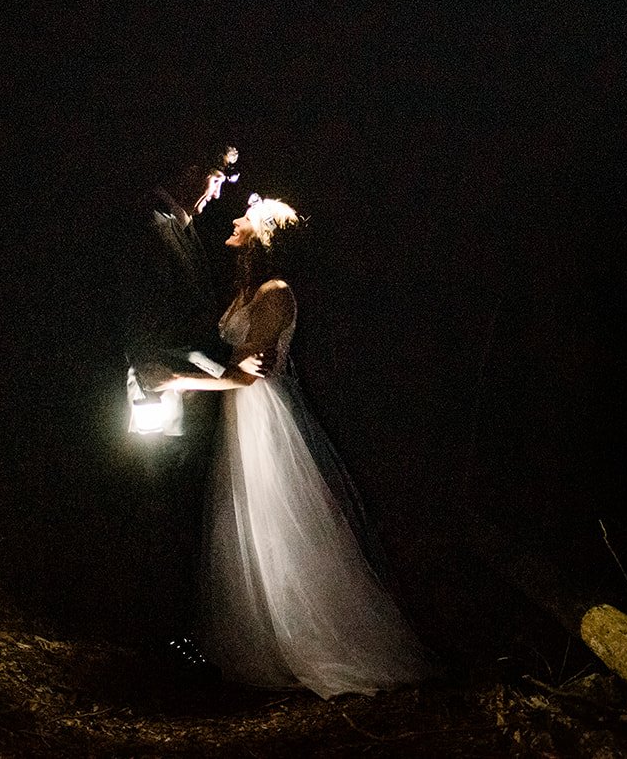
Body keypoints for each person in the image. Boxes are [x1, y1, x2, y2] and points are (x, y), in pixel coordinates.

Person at [161, 192, 435, 698]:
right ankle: (255, 641)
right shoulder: (246, 288)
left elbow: (248, 373)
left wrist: (177, 379)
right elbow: (228, 358)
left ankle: (316, 640)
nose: (237, 217)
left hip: (264, 419)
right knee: (240, 523)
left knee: (277, 524)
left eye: (247, 214)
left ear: (262, 235)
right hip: (237, 416)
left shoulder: (277, 291)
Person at [123, 152, 253, 669]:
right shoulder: (150, 228)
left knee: (176, 507)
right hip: (158, 390)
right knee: (160, 508)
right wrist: (207, 372)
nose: (218, 192)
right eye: (216, 177)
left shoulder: (183, 227)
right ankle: (159, 639)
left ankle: (173, 632)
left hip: (184, 387)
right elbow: (151, 319)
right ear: (187, 165)